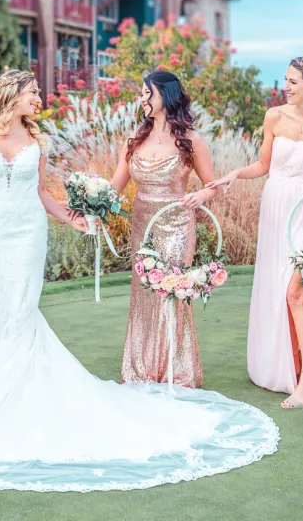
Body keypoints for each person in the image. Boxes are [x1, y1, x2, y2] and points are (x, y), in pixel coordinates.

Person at [0, 70, 279, 492]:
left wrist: (72, 218)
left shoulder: (36, 142)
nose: (39, 98)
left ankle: (16, 386)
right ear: (13, 94)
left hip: (28, 231)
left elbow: (40, 194)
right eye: (33, 92)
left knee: (22, 304)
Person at [208, 54, 303, 409]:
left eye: (292, 82)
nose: (285, 87)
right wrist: (235, 174)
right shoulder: (274, 116)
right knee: (278, 288)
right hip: (275, 208)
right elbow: (263, 164)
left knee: (296, 291)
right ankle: (282, 366)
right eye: (285, 80)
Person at [108, 70, 219, 388]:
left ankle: (176, 371)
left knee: (170, 292)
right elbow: (115, 186)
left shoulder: (191, 140)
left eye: (147, 93)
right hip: (143, 225)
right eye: (141, 94)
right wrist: (91, 201)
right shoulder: (134, 141)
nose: (142, 99)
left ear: (166, 96)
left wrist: (200, 195)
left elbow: (212, 185)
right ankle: (141, 370)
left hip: (177, 224)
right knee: (144, 294)